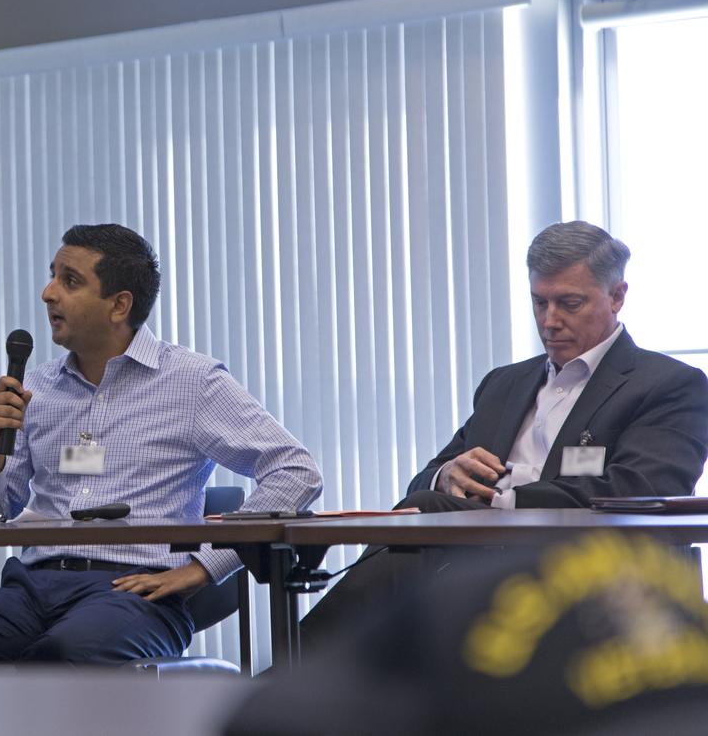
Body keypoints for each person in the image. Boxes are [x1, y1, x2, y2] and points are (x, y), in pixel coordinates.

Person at [0, 223, 322, 665]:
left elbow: (296, 471)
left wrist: (206, 567)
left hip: (132, 594)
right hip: (32, 588)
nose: (48, 293)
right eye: (51, 276)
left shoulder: (191, 381)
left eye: (69, 281)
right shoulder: (36, 386)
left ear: (118, 305)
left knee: (60, 657)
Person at [301, 220, 708, 649]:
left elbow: (639, 492)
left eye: (569, 303)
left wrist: (499, 499)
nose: (550, 321)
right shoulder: (504, 384)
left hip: (589, 569)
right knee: (422, 514)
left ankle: (302, 663)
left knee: (423, 521)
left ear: (617, 296)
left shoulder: (667, 385)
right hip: (479, 567)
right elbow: (426, 480)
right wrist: (448, 476)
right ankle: (319, 669)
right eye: (539, 303)